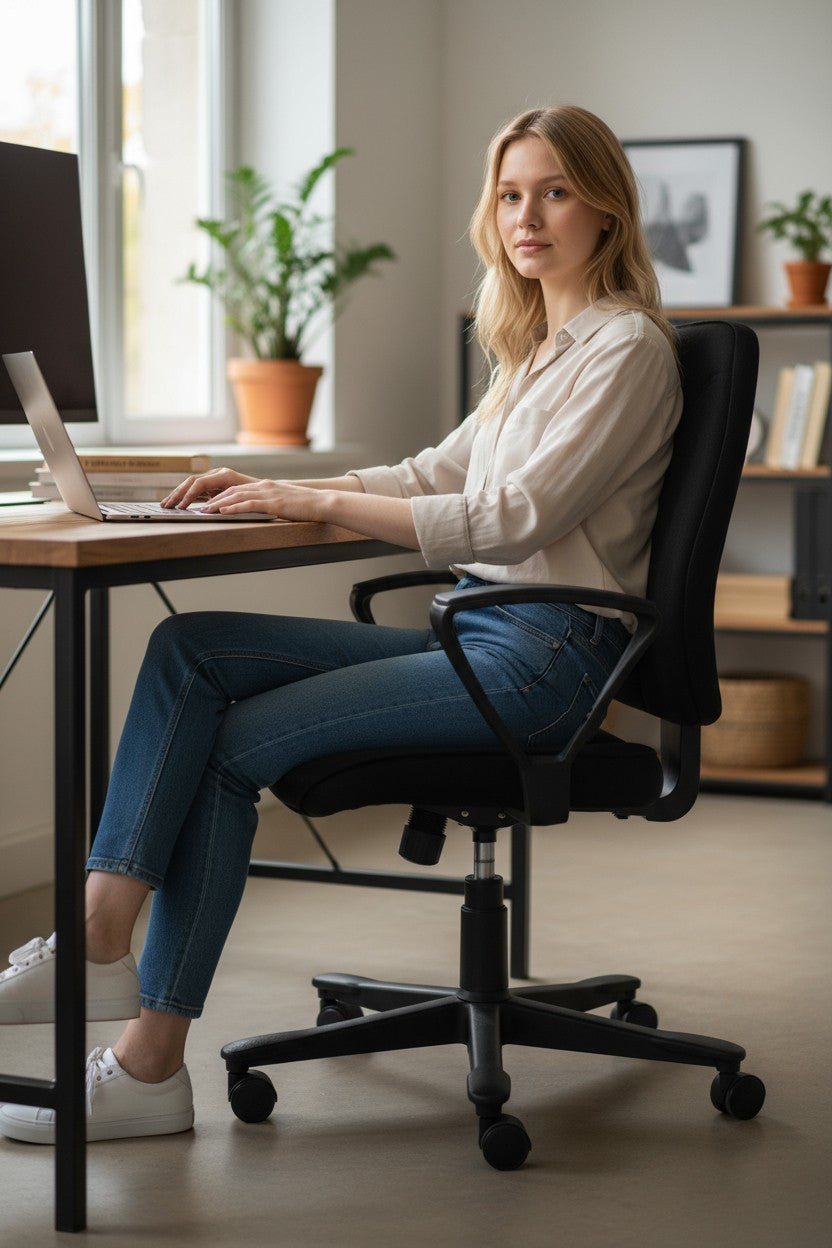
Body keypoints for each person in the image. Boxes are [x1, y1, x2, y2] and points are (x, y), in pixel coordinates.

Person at [0, 104, 682, 1144]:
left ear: (603, 208)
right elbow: (428, 475)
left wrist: (316, 505)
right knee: (193, 649)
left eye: (552, 191)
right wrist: (280, 481)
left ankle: (147, 1067)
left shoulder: (624, 350)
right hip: (482, 636)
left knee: (227, 750)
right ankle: (99, 933)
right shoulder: (538, 348)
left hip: (545, 660)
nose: (526, 216)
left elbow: (511, 516)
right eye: (509, 194)